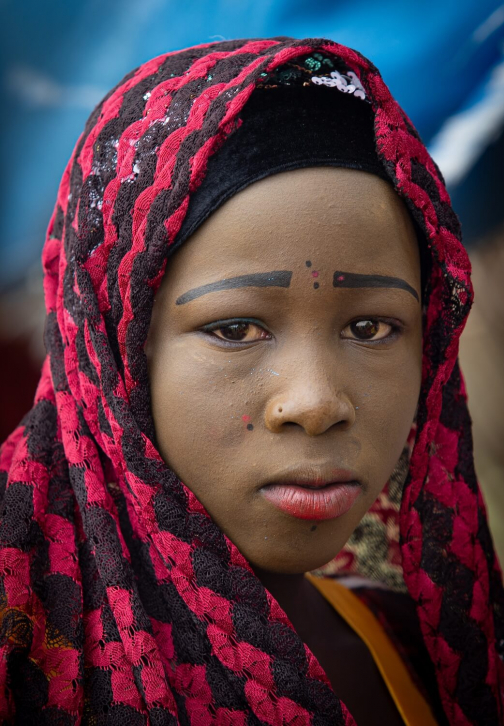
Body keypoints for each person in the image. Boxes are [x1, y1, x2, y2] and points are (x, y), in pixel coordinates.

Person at [0, 37, 502, 725]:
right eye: (235, 329)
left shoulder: (430, 657)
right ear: (117, 353)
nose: (318, 402)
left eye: (371, 328)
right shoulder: (27, 662)